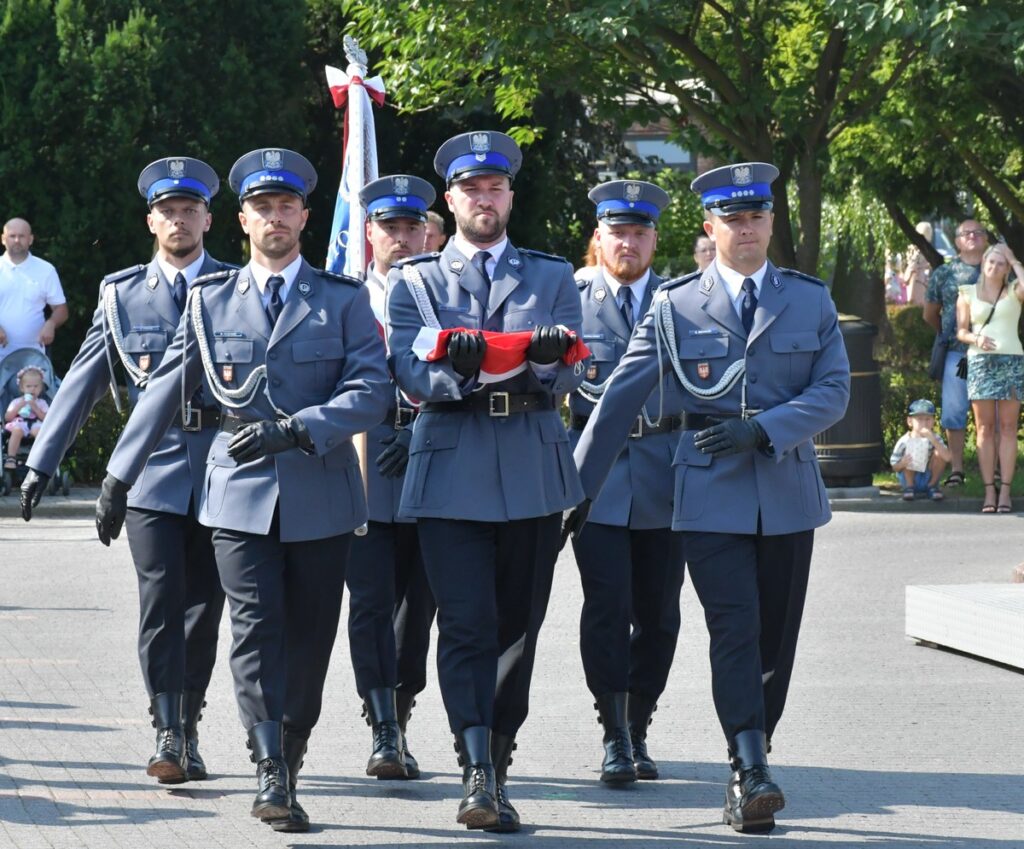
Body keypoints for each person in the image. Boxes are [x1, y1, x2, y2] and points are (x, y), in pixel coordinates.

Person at [93, 148, 390, 831]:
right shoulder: (210, 299)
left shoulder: (341, 300)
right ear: (243, 219)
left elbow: (372, 391)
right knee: (255, 630)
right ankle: (270, 770)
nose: (275, 219)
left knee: (310, 638)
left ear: (306, 218)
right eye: (263, 208)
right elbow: (162, 392)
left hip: (320, 491)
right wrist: (118, 474)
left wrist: (300, 427)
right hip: (236, 494)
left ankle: (291, 745)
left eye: (287, 207)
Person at [565, 161, 850, 834]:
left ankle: (756, 745)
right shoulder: (675, 304)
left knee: (776, 637)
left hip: (786, 491)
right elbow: (614, 404)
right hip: (707, 493)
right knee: (735, 626)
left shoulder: (808, 299)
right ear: (709, 226)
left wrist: (763, 428)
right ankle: (748, 764)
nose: (745, 228)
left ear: (772, 223)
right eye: (732, 218)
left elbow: (834, 389)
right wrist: (575, 491)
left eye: (756, 216)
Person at [385, 130, 586, 832]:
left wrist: (557, 362)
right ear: (451, 199)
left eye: (494, 188)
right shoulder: (416, 281)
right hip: (450, 464)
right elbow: (410, 373)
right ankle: (474, 766)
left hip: (531, 465)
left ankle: (499, 755)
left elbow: (574, 369)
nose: (484, 198)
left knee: (518, 629)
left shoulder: (553, 275)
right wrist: (456, 372)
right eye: (470, 189)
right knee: (466, 624)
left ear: (509, 196)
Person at [21, 158, 231, 786]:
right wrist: (41, 462)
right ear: (151, 221)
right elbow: (82, 382)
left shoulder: (235, 285)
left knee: (205, 608)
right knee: (161, 603)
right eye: (168, 211)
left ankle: (189, 725)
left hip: (223, 467)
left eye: (189, 210)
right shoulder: (122, 294)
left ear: (208, 219)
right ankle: (167, 730)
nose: (179, 220)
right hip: (151, 469)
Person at [568, 179, 686, 785]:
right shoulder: (571, 299)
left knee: (661, 615)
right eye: (618, 232)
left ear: (654, 239)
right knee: (608, 607)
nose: (629, 242)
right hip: (599, 478)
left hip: (668, 474)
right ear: (600, 238)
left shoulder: (681, 301)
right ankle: (613, 730)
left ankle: (640, 721)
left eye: (640, 232)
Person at [347, 173, 438, 781]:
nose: (402, 238)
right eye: (390, 228)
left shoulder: (446, 295)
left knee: (419, 608)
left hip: (433, 458)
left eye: (411, 227)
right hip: (365, 463)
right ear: (370, 235)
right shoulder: (345, 298)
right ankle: (381, 724)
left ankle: (401, 711)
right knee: (371, 603)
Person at [955, 243, 1024, 513]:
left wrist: (1013, 258)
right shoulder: (967, 292)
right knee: (984, 428)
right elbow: (961, 331)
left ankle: (1005, 491)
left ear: (1007, 268)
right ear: (983, 263)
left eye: (1001, 263)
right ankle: (989, 492)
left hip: (1012, 361)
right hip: (980, 361)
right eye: (991, 262)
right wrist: (976, 338)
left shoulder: (1014, 291)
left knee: (1008, 428)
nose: (995, 267)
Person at [924, 219, 989, 486]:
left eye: (978, 232)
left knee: (991, 414)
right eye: (966, 233)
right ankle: (957, 470)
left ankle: (993, 470)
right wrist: (948, 335)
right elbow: (929, 314)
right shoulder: (944, 274)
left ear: (986, 239)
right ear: (958, 240)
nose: (972, 236)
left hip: (993, 355)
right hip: (957, 354)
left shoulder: (1000, 268)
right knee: (954, 411)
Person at [0, 218, 68, 365]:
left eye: (22, 236)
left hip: (34, 361)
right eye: (12, 236)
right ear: (3, 239)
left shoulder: (45, 270)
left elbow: (61, 309)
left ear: (30, 239)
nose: (17, 240)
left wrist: (51, 324)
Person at [889, 399, 951, 502]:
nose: (924, 423)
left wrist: (933, 440)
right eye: (919, 419)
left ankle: (932, 487)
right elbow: (894, 466)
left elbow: (947, 458)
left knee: (939, 452)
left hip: (928, 476)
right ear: (910, 421)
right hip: (910, 476)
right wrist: (902, 463)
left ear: (933, 421)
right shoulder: (904, 441)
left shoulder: (936, 438)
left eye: (928, 419)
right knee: (913, 447)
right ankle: (910, 487)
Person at [4, 365, 48, 466]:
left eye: (36, 386)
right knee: (17, 430)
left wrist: (36, 408)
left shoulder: (42, 402)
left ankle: (42, 457)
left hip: (36, 424)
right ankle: (11, 458)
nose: (32, 389)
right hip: (20, 423)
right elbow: (8, 418)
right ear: (22, 388)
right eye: (28, 386)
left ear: (41, 388)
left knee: (40, 432)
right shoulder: (16, 401)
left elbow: (46, 419)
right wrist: (19, 406)